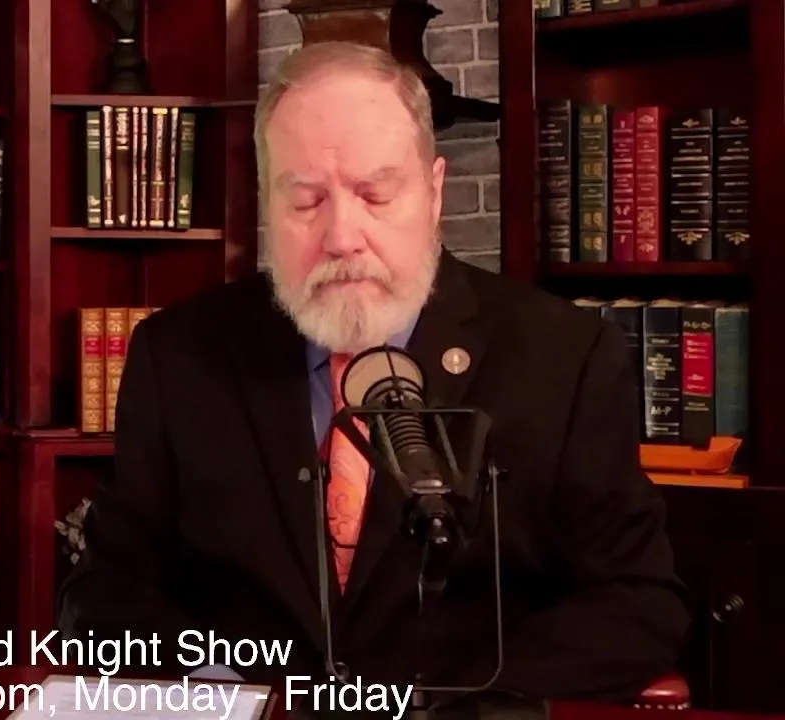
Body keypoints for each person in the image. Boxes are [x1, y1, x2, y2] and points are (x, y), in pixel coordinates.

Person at [57, 41, 689, 704]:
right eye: (306, 201)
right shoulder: (177, 355)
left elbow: (638, 601)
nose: (341, 237)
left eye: (376, 195)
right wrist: (226, 696)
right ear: (267, 205)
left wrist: (451, 711)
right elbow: (102, 592)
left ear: (435, 192)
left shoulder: (565, 356)